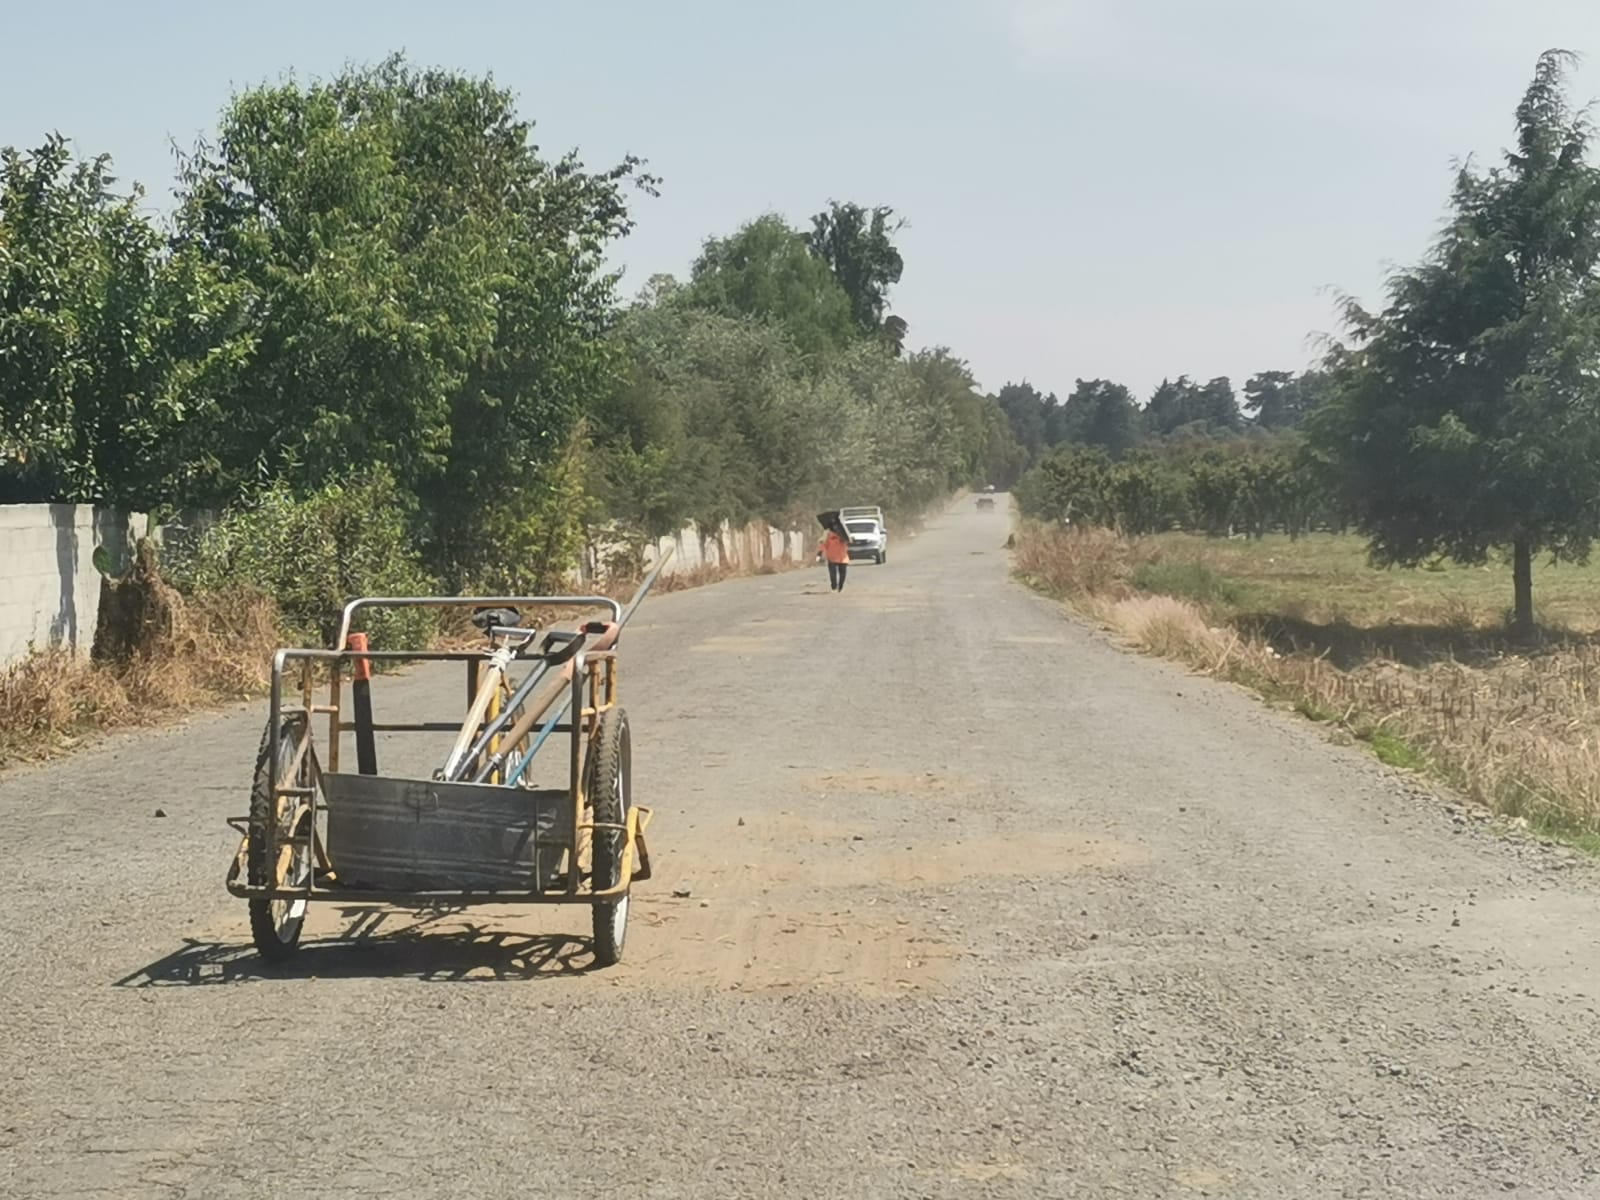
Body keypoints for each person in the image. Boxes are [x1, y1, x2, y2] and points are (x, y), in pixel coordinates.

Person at [819, 525, 851, 592]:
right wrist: (821, 551)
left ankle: (840, 586)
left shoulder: (844, 534)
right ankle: (834, 586)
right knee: (832, 573)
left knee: (842, 574)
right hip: (832, 556)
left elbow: (849, 541)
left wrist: (845, 539)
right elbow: (824, 544)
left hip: (842, 557)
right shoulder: (828, 534)